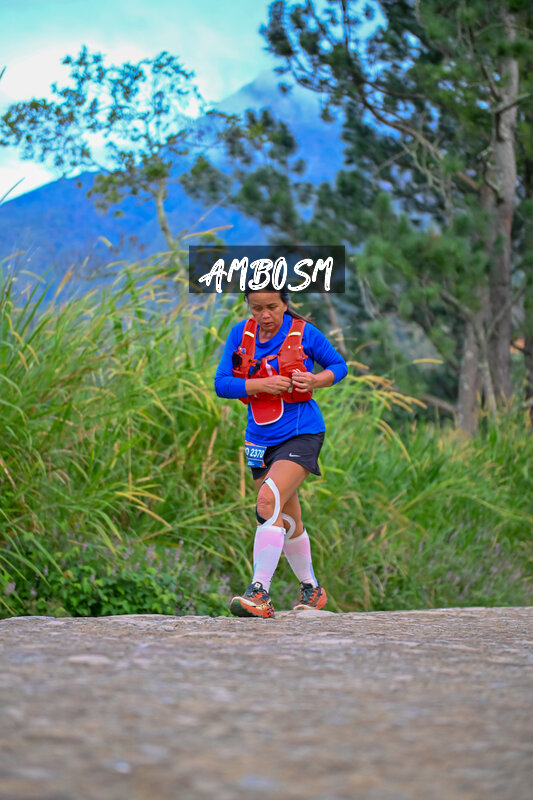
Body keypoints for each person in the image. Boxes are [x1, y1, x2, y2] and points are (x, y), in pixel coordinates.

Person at [214, 284, 348, 618]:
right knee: (287, 517)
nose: (264, 315)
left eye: (272, 307)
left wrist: (315, 381)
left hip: (302, 433)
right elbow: (222, 383)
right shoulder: (240, 334)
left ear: (285, 304)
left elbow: (338, 366)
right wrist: (261, 384)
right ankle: (311, 588)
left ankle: (259, 592)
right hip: (259, 439)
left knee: (267, 501)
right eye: (256, 308)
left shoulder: (305, 333)